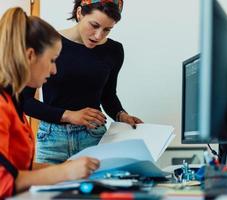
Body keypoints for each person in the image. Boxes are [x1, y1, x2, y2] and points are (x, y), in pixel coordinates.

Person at [22, 0, 143, 164]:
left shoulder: (114, 51)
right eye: (94, 25)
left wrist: (121, 115)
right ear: (79, 13)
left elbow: (108, 95)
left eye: (107, 29)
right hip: (52, 140)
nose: (99, 35)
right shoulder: (48, 44)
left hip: (93, 137)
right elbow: (24, 101)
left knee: (98, 189)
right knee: (47, 189)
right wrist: (69, 116)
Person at [0, 7, 99, 199]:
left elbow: (19, 168)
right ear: (30, 56)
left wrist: (67, 168)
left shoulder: (11, 102)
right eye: (52, 60)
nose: (54, 70)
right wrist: (66, 172)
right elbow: (3, 182)